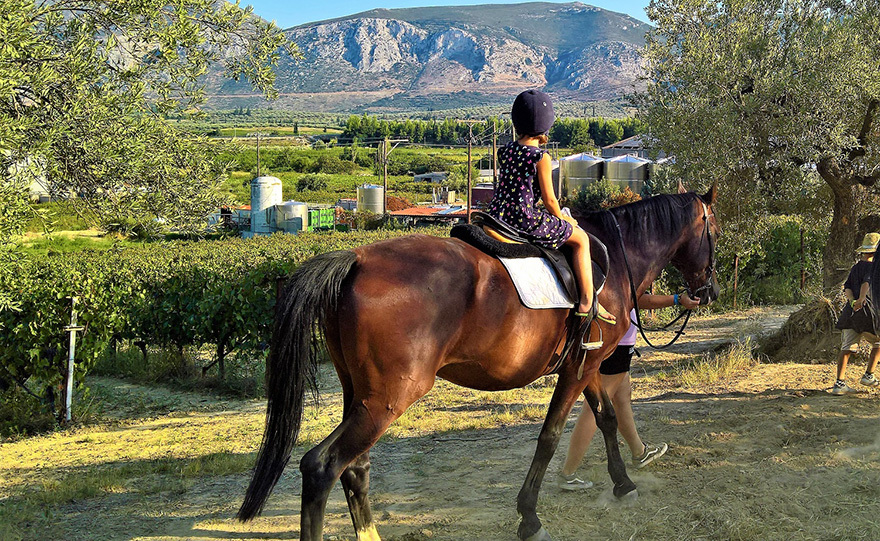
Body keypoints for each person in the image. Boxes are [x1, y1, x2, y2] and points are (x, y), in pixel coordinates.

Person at [485, 89, 615, 323]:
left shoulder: (504, 151)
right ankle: (587, 301)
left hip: (498, 215)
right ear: (546, 126)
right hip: (524, 218)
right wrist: (565, 220)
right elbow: (550, 200)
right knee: (581, 239)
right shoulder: (540, 157)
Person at [558, 291, 700, 490]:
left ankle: (639, 452)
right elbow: (641, 298)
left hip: (605, 335)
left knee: (622, 397)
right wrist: (676, 300)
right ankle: (568, 473)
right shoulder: (619, 263)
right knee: (596, 406)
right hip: (618, 340)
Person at [831, 232, 880, 395]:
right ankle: (868, 375)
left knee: (847, 349)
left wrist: (853, 302)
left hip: (850, 314)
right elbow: (867, 282)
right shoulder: (874, 267)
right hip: (867, 314)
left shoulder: (856, 266)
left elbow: (847, 288)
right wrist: (861, 300)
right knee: (878, 343)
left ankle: (839, 384)